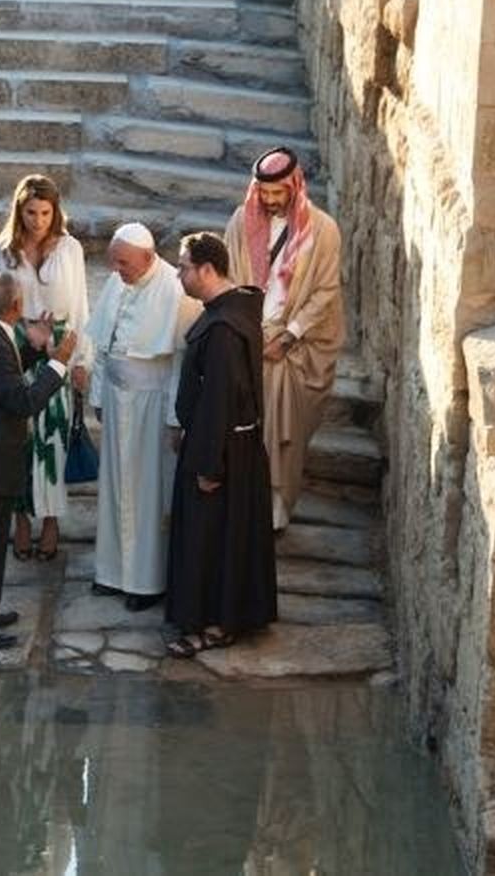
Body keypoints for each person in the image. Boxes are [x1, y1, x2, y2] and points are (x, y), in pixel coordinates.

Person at [166, 232, 277, 656]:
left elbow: (219, 400)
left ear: (207, 270)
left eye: (184, 267)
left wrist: (209, 465)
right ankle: (221, 617)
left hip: (222, 450)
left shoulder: (225, 330)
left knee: (211, 540)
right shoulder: (227, 313)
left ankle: (214, 623)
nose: (179, 275)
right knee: (220, 538)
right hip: (224, 444)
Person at [0, 272, 75, 650]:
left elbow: (5, 378)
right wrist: (58, 364)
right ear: (17, 306)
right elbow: (23, 402)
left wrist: (36, 349)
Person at [224, 147, 343, 531]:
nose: (271, 200)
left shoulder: (322, 230)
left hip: (289, 345)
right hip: (246, 335)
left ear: (294, 187)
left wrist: (288, 337)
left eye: (278, 192)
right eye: (264, 193)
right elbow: (228, 278)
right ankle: (240, 501)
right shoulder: (240, 222)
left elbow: (325, 291)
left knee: (280, 430)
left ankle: (274, 508)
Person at [85, 223, 201, 613]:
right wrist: (98, 397)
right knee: (114, 486)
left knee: (147, 492)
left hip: (152, 405)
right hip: (116, 400)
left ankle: (146, 581)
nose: (116, 270)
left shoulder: (174, 289)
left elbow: (180, 363)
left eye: (123, 263)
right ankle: (111, 572)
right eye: (114, 262)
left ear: (149, 257)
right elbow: (104, 346)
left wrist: (174, 419)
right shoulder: (118, 279)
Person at [0, 175, 91, 563]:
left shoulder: (70, 248)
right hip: (16, 346)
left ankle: (50, 520)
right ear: (19, 210)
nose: (38, 220)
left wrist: (81, 360)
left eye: (46, 213)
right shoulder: (3, 249)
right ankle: (21, 519)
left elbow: (80, 306)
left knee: (53, 438)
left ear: (55, 211)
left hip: (59, 347)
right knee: (20, 438)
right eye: (31, 212)